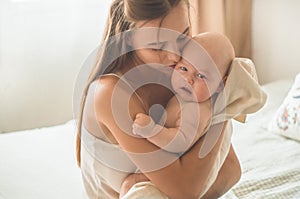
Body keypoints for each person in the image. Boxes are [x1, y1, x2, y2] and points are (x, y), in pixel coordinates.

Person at [75, 0, 248, 198]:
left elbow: (231, 171)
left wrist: (218, 96)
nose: (175, 57)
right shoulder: (111, 93)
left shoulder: (182, 73)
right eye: (157, 47)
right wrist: (224, 102)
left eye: (183, 36)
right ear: (129, 39)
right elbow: (185, 191)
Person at [119, 33, 267, 198]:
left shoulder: (197, 109)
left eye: (201, 76)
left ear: (221, 84)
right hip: (172, 169)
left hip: (180, 175)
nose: (188, 79)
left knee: (133, 187)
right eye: (183, 68)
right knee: (129, 185)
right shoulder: (185, 98)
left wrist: (151, 130)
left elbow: (180, 142)